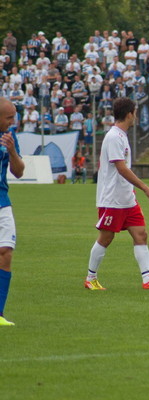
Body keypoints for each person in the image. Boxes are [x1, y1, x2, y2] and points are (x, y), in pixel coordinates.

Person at [84, 97, 149, 290]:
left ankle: (148, 279)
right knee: (106, 238)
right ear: (129, 114)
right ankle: (90, 278)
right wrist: (145, 188)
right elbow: (121, 168)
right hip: (112, 198)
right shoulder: (114, 137)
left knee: (141, 234)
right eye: (135, 113)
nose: (136, 116)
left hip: (127, 198)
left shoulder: (121, 135)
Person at [0, 97, 25, 326]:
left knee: (6, 252)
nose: (12, 122)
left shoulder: (10, 136)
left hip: (2, 201)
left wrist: (13, 151)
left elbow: (19, 172)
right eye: (9, 118)